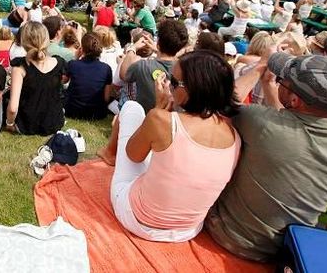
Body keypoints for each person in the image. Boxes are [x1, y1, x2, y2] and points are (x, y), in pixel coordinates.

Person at [206, 52, 327, 262]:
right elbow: (292, 127)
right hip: (287, 249)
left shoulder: (260, 123)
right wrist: (271, 87)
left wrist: (260, 68)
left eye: (282, 81)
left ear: (295, 99)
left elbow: (223, 104)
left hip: (228, 234)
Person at [98, 50, 241, 241]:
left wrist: (157, 110)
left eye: (174, 82)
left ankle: (109, 153)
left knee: (132, 108)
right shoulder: (234, 135)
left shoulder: (161, 120)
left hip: (138, 220)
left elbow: (133, 155)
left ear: (194, 89)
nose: (168, 86)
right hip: (187, 231)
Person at [6, 22, 66, 135]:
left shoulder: (20, 67)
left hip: (27, 125)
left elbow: (13, 108)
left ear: (23, 41)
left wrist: (9, 124)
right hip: (54, 122)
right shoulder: (59, 63)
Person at [120, 19, 189, 113]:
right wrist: (157, 49)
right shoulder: (186, 68)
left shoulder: (142, 66)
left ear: (158, 42)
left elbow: (123, 74)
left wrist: (132, 48)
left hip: (146, 118)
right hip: (173, 119)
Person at [65, 32, 113, 120]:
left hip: (72, 111)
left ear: (82, 49)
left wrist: (75, 58)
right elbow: (106, 98)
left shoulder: (73, 64)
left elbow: (63, 81)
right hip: (97, 113)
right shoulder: (106, 69)